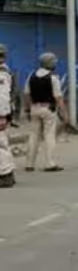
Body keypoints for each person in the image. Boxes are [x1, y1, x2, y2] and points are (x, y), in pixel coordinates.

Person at [23, 52, 66, 172]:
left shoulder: (31, 76)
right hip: (48, 109)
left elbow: (26, 94)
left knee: (33, 135)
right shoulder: (53, 78)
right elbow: (58, 97)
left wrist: (27, 109)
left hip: (34, 109)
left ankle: (29, 163)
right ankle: (50, 163)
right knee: (49, 135)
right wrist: (64, 113)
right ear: (50, 64)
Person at [0, 44, 15, 188]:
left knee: (1, 144)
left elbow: (2, 97)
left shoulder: (2, 73)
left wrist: (2, 116)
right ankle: (7, 171)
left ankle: (6, 175)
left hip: (0, 113)